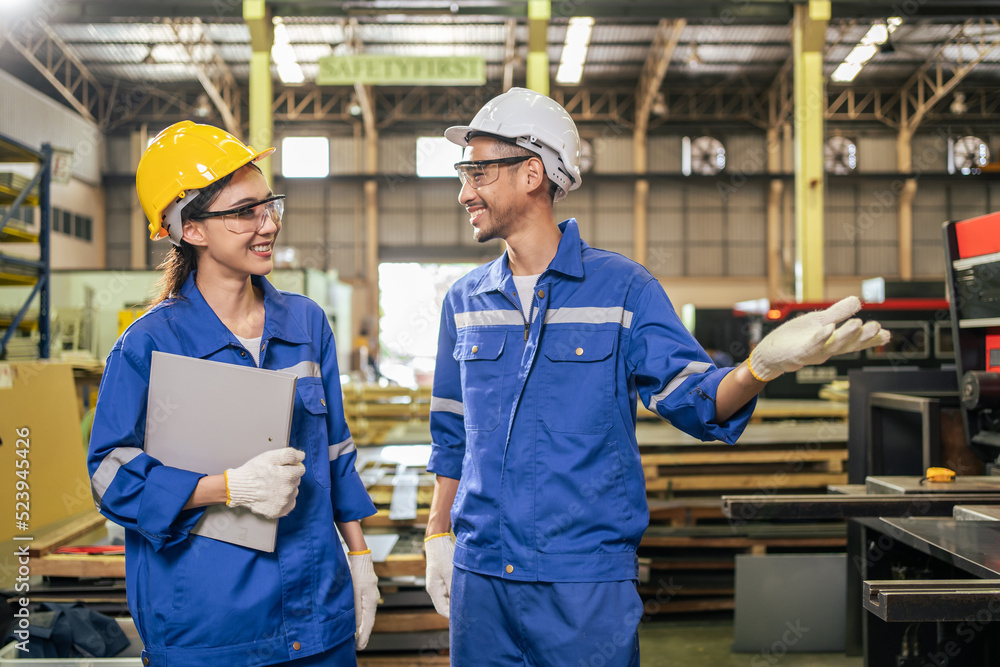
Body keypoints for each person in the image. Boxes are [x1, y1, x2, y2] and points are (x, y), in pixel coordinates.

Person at [422, 88, 890, 666]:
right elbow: (452, 435)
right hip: (481, 579)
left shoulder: (623, 291)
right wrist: (437, 535)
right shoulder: (464, 302)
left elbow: (697, 401)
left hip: (583, 585)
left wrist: (759, 367)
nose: (464, 191)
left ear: (532, 173)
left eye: (478, 171)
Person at [87, 121, 379, 667]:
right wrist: (228, 487)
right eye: (246, 211)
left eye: (269, 205)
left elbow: (335, 451)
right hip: (211, 632)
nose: (268, 224)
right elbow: (109, 475)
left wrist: (359, 555)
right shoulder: (150, 344)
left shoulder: (306, 324)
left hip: (317, 619)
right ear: (191, 229)